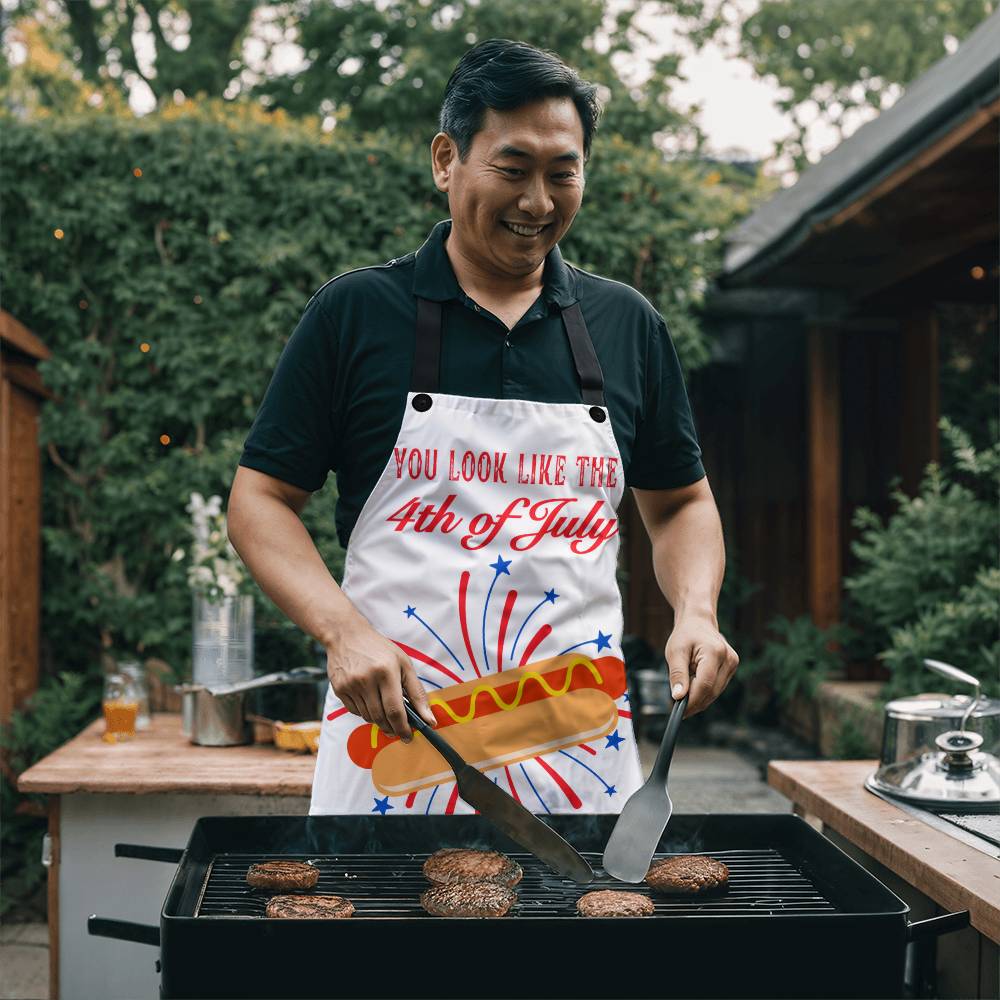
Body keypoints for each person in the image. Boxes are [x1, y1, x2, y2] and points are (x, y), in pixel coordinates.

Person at [228, 38, 738, 816]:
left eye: (562, 173)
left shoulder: (625, 325)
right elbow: (260, 500)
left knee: (581, 932)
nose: (538, 201)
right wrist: (343, 633)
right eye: (513, 168)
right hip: (395, 749)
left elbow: (679, 504)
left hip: (578, 758)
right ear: (446, 160)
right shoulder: (356, 314)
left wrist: (696, 610)